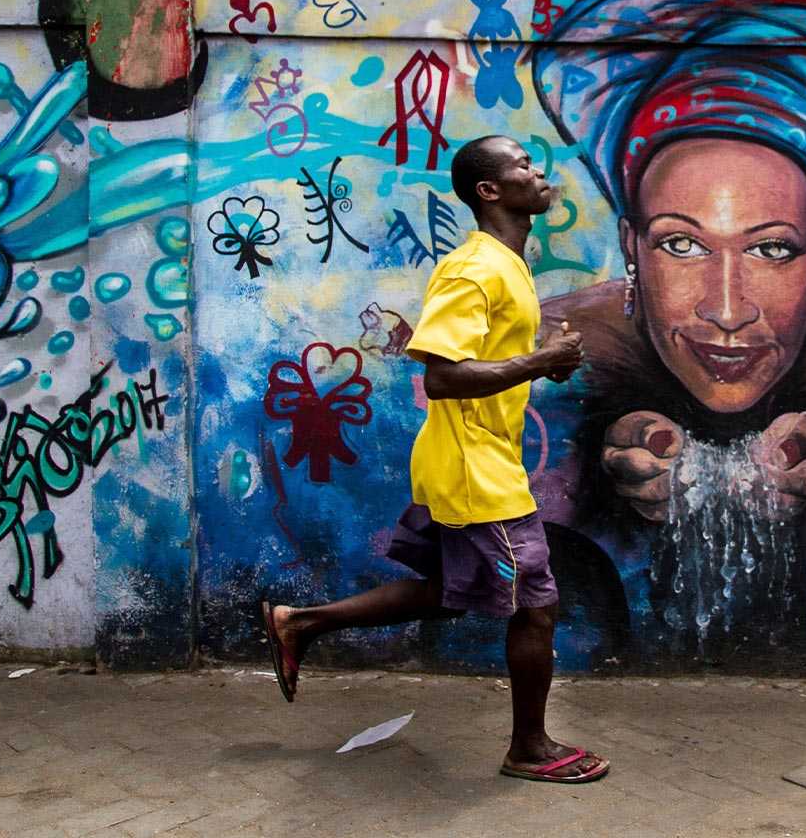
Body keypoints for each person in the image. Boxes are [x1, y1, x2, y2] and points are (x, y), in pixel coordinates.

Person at [525, 0, 806, 661]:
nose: (725, 309)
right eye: (683, 245)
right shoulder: (545, 343)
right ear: (632, 246)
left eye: (773, 250)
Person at [258, 134, 608, 784]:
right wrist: (539, 360)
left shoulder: (508, 263)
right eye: (523, 166)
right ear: (490, 191)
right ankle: (528, 748)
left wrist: (542, 367)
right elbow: (443, 376)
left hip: (478, 456)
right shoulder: (474, 267)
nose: (539, 173)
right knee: (536, 606)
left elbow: (486, 364)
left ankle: (299, 624)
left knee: (452, 593)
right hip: (474, 467)